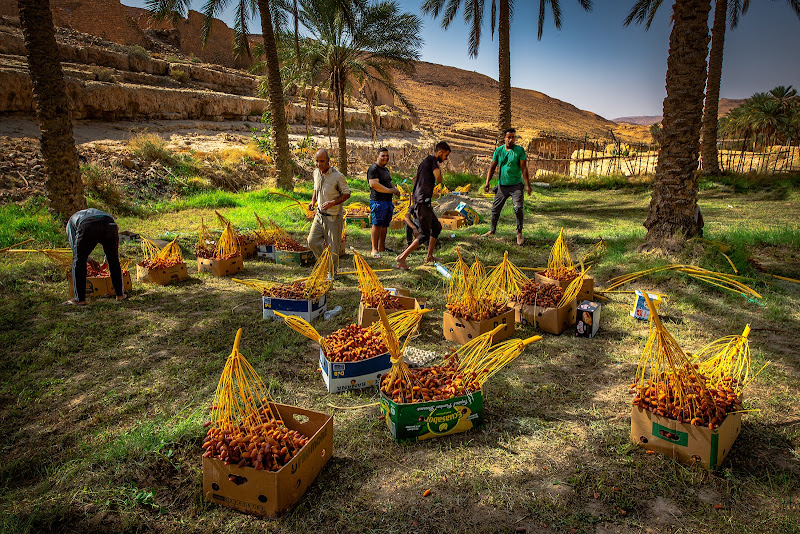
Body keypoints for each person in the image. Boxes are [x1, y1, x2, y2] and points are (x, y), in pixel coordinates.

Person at [395, 141, 450, 270]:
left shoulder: (424, 162)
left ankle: (429, 256)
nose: (446, 159)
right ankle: (402, 258)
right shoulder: (432, 161)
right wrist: (439, 172)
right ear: (440, 152)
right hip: (422, 201)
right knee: (424, 234)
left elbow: (415, 179)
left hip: (423, 200)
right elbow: (439, 179)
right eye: (445, 155)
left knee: (436, 227)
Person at [64, 208, 126, 306]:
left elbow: (76, 252)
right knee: (114, 259)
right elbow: (114, 240)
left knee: (78, 261)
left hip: (88, 226)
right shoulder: (101, 213)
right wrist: (106, 260)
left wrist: (87, 259)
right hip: (110, 224)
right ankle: (120, 295)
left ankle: (79, 299)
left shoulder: (70, 223)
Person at [482, 127, 532, 245]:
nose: (511, 140)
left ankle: (519, 232)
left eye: (513, 137)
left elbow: (523, 168)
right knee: (495, 209)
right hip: (502, 186)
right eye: (509, 137)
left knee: (518, 207)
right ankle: (492, 230)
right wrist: (487, 182)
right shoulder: (499, 151)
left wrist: (527, 185)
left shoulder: (519, 151)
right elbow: (492, 167)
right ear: (504, 138)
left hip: (516, 186)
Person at [307, 149, 351, 273]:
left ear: (328, 161)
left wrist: (333, 202)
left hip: (333, 217)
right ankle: (324, 264)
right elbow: (316, 188)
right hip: (319, 215)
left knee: (333, 248)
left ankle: (332, 273)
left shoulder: (338, 176)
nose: (319, 164)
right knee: (312, 241)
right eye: (316, 161)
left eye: (322, 161)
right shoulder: (316, 173)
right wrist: (312, 202)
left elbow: (347, 194)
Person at [367, 147, 400, 258]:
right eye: (383, 155)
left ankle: (382, 247)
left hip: (388, 201)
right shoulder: (373, 169)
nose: (385, 158)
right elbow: (374, 184)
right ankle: (374, 249)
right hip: (378, 201)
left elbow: (389, 182)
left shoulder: (385, 170)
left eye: (387, 155)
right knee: (377, 224)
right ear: (377, 156)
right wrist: (390, 190)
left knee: (385, 225)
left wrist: (395, 190)